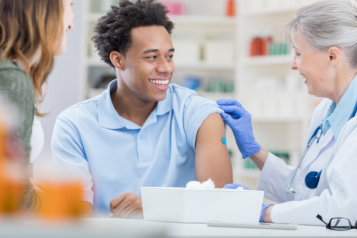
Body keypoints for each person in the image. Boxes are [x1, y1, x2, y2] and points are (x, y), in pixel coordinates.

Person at [51, 0, 233, 218]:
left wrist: (155, 210)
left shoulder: (199, 114)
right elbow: (74, 221)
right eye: (152, 57)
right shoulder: (74, 124)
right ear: (118, 60)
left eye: (169, 56)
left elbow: (220, 205)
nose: (166, 68)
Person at [219, 0, 357, 225]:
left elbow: (343, 207)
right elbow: (305, 191)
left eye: (299, 53)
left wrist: (263, 212)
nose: (293, 65)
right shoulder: (324, 112)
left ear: (332, 56)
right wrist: (255, 150)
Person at [0, 0, 74, 211]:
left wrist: (29, 187)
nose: (71, 24)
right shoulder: (12, 79)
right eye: (70, 5)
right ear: (44, 10)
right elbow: (16, 198)